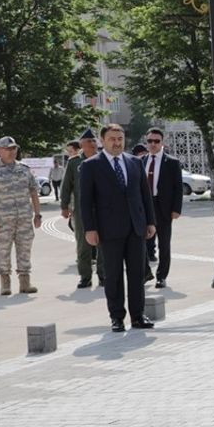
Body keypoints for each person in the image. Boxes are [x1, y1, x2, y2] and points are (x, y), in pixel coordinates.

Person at [78, 124, 156, 332]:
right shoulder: (90, 166)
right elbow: (85, 201)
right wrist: (90, 229)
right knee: (113, 275)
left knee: (137, 274)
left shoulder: (134, 162)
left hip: (135, 227)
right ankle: (117, 317)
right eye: (112, 138)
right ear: (103, 140)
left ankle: (138, 316)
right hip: (108, 229)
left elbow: (145, 195)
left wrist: (150, 222)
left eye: (120, 138)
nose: (117, 142)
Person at [0, 136, 43, 296]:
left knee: (25, 249)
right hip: (2, 220)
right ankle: (5, 283)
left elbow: (33, 192)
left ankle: (25, 282)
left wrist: (38, 214)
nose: (12, 151)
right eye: (8, 149)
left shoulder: (24, 168)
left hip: (24, 218)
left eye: (14, 148)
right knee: (3, 250)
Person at [60, 128, 104, 288]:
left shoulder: (103, 159)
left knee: (103, 244)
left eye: (94, 141)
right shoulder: (74, 162)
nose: (92, 144)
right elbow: (66, 186)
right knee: (83, 244)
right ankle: (85, 277)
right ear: (81, 145)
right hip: (80, 210)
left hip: (102, 209)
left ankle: (103, 275)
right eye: (89, 142)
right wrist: (64, 206)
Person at [141, 128, 183, 288]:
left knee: (164, 244)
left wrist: (176, 209)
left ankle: (161, 276)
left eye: (156, 141)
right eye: (150, 141)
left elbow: (178, 188)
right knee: (142, 242)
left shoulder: (171, 162)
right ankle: (145, 273)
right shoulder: (140, 161)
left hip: (163, 207)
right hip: (145, 207)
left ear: (162, 143)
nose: (153, 144)